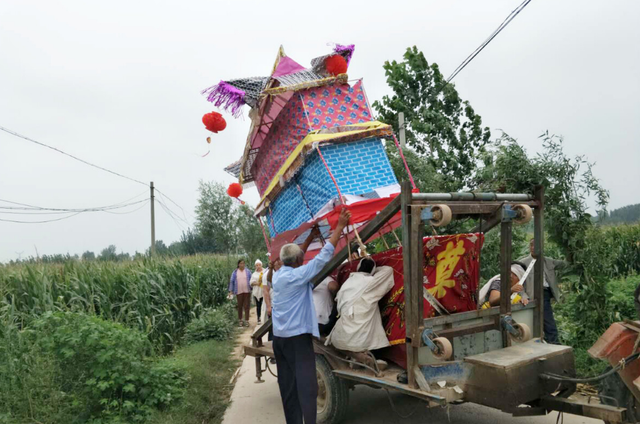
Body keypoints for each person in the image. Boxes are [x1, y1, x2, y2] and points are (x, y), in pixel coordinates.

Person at [271, 209, 351, 424]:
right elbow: (322, 258)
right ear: (299, 261)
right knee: (307, 385)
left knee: (287, 385)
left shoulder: (280, 275)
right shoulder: (297, 276)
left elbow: (296, 257)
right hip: (297, 339)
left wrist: (309, 238)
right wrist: (339, 227)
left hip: (279, 339)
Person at [326, 258, 394, 353]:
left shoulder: (348, 282)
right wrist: (376, 269)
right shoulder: (371, 282)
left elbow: (337, 302)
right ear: (372, 270)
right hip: (362, 340)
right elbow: (389, 270)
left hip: (341, 338)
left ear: (358, 268)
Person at [519, 238, 569, 344]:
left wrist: (570, 248)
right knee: (546, 323)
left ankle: (551, 343)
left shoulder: (548, 261)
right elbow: (518, 283)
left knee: (545, 321)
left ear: (541, 247)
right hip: (532, 294)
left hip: (545, 293)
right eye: (531, 245)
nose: (533, 248)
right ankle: (554, 344)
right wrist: (523, 295)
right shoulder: (523, 263)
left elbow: (565, 264)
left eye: (535, 245)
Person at [229, 259, 252, 327]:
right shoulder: (235, 272)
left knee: (247, 306)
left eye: (243, 263)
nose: (242, 265)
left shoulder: (247, 271)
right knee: (240, 306)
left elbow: (251, 279)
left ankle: (247, 320)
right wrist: (231, 291)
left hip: (247, 291)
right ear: (238, 264)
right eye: (241, 263)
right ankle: (240, 320)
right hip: (238, 291)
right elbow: (232, 281)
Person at [250, 259, 265, 324]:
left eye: (259, 265)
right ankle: (258, 318)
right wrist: (257, 283)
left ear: (261, 265)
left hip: (263, 291)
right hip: (257, 291)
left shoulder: (265, 272)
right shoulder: (254, 274)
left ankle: (264, 318)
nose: (258, 266)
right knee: (258, 306)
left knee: (263, 305)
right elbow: (251, 283)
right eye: (257, 265)